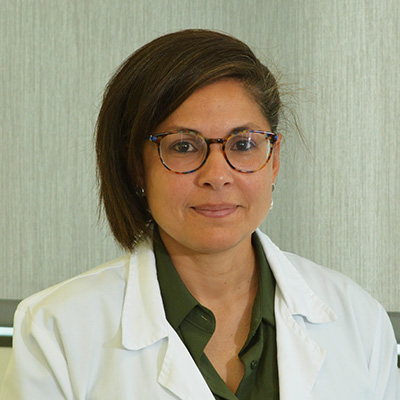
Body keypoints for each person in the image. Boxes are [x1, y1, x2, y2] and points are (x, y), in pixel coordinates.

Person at [1, 29, 398, 400]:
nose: (217, 175)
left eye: (243, 144)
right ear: (136, 166)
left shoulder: (359, 320)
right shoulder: (56, 330)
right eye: (184, 147)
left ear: (274, 160)